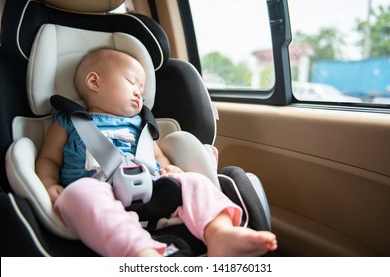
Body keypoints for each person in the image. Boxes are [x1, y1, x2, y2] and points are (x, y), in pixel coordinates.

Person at [35, 47, 277, 257]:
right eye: (131, 82)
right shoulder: (69, 121)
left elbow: (157, 156)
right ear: (94, 82)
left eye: (141, 87)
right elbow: (48, 158)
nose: (139, 92)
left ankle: (220, 233)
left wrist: (169, 168)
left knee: (194, 181)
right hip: (98, 190)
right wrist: (47, 184)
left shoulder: (141, 126)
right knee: (78, 194)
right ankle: (141, 252)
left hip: (151, 190)